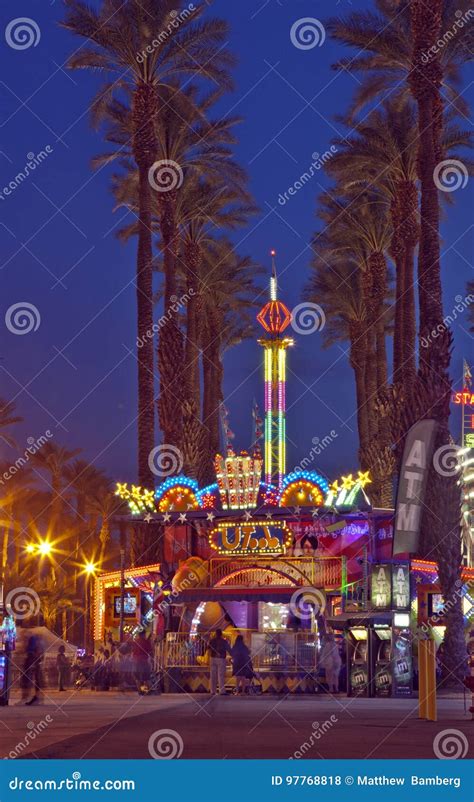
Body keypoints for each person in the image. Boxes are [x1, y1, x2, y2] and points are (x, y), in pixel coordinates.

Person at [22, 634, 44, 705]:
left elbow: (33, 649)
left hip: (32, 657)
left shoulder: (33, 637)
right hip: (34, 658)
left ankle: (29, 698)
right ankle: (37, 698)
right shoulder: (36, 638)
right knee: (35, 678)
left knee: (29, 678)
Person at [207, 628, 231, 695]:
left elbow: (208, 647)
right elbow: (229, 649)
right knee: (221, 675)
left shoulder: (212, 640)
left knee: (213, 675)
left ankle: (212, 691)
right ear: (221, 634)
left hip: (213, 658)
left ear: (216, 634)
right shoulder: (224, 641)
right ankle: (222, 690)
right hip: (221, 658)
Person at [132, 631, 153, 695]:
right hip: (144, 661)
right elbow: (150, 651)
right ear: (143, 634)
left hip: (136, 661)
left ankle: (140, 691)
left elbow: (133, 651)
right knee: (146, 677)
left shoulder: (135, 642)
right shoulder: (146, 642)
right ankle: (148, 690)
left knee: (138, 678)